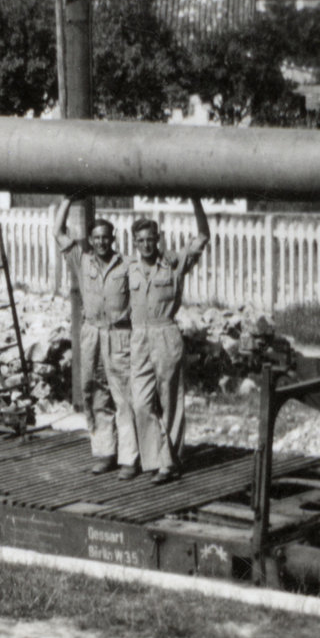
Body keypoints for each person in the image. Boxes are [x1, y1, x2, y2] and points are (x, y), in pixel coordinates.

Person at [124, 199, 210, 483]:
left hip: (166, 334)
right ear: (134, 242)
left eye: (150, 240)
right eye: (141, 241)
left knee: (170, 401)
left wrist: (195, 201)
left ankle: (168, 464)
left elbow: (202, 238)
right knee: (141, 402)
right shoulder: (128, 267)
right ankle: (158, 458)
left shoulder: (173, 264)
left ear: (158, 240)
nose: (146, 245)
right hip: (139, 338)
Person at [54, 203, 138, 477]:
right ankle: (105, 452)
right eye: (97, 237)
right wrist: (68, 200)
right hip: (91, 334)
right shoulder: (82, 259)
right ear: (90, 240)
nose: (102, 242)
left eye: (106, 237)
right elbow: (58, 231)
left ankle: (129, 458)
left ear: (113, 239)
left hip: (119, 334)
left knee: (123, 395)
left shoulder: (127, 264)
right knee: (93, 393)